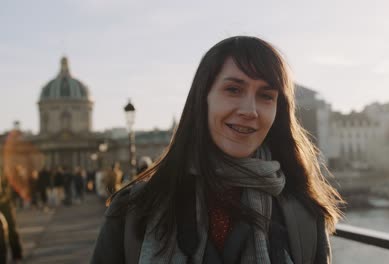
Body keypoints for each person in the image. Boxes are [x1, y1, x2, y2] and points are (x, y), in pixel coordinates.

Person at [91, 36, 343, 264]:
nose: (250, 110)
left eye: (266, 95)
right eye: (233, 89)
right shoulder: (133, 211)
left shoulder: (305, 217)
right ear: (203, 98)